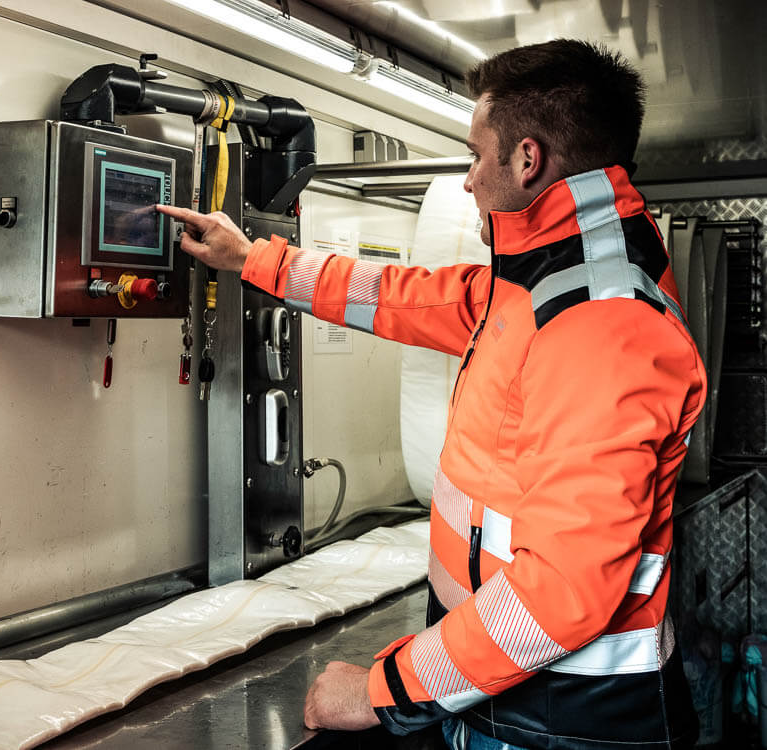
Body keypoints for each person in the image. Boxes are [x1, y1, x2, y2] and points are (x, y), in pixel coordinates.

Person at [158, 39, 702, 750]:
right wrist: (251, 258)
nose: (469, 180)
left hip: (560, 718)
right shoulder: (539, 283)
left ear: (526, 160)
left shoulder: (602, 321)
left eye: (477, 156)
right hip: (505, 691)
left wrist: (381, 692)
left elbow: (561, 593)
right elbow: (401, 297)